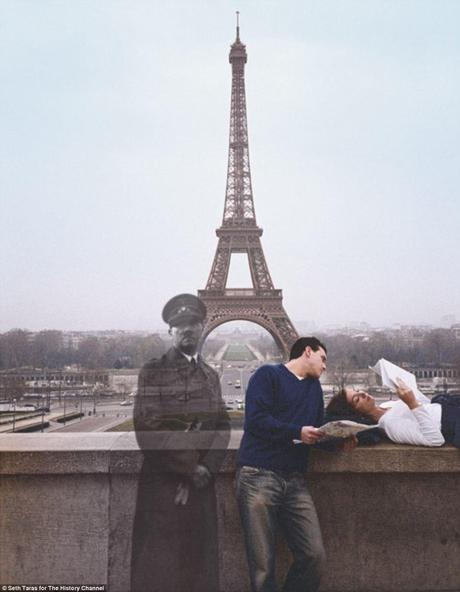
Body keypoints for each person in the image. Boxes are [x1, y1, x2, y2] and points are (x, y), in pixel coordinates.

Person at [235, 337, 356, 592]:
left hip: (294, 480)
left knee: (314, 556)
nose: (325, 367)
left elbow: (314, 433)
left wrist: (337, 442)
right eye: (323, 359)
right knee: (262, 567)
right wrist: (296, 431)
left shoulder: (313, 389)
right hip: (258, 474)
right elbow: (255, 420)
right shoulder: (267, 375)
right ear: (308, 351)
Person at [130, 293, 230, 592]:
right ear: (170, 331)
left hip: (201, 484)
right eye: (180, 324)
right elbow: (148, 427)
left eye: (193, 323)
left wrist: (206, 469)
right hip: (164, 484)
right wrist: (190, 469)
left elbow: (222, 426)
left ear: (203, 328)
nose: (188, 329)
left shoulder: (211, 376)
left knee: (200, 565)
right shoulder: (153, 372)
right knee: (162, 568)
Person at [326, 378, 460, 448]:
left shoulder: (386, 405)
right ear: (357, 414)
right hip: (453, 421)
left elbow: (424, 408)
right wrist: (411, 402)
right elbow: (435, 440)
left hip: (450, 407)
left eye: (357, 391)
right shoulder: (390, 426)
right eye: (357, 399)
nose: (362, 393)